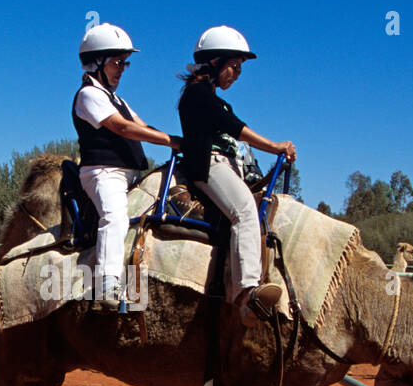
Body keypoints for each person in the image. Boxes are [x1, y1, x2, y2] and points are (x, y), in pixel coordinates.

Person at [177, 26, 297, 327]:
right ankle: (246, 293)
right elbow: (233, 126)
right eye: (234, 65)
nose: (238, 73)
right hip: (211, 166)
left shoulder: (212, 96)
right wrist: (274, 146)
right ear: (214, 62)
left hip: (229, 165)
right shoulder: (197, 94)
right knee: (245, 210)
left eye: (241, 68)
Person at [71, 23, 180, 309]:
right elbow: (122, 128)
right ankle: (106, 284)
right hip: (103, 173)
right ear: (97, 62)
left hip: (130, 174)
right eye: (117, 62)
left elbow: (142, 126)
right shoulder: (88, 95)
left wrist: (182, 142)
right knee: (115, 216)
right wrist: (172, 141)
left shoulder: (117, 99)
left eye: (124, 63)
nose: (122, 69)